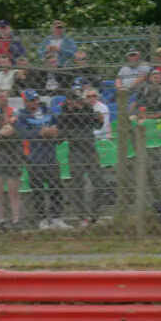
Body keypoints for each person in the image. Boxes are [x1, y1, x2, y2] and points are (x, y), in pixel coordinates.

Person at [15, 91, 65, 228]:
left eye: (36, 99)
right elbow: (25, 134)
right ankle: (42, 218)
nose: (35, 102)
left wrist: (54, 132)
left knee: (56, 187)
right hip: (34, 158)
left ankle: (56, 218)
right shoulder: (22, 116)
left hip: (50, 155)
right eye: (32, 100)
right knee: (37, 189)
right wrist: (42, 132)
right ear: (25, 102)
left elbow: (58, 127)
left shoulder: (48, 111)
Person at [58, 87, 107, 223]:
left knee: (99, 183)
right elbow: (61, 134)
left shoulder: (86, 107)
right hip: (75, 151)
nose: (79, 103)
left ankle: (94, 214)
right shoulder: (64, 112)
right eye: (75, 100)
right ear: (68, 101)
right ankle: (82, 216)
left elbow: (96, 125)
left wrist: (100, 120)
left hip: (90, 149)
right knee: (78, 184)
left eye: (79, 100)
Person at [0, 105, 26, 231]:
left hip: (12, 162)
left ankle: (16, 220)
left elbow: (19, 140)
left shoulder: (12, 126)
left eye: (1, 117)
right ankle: (1, 221)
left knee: (13, 193)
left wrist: (11, 132)